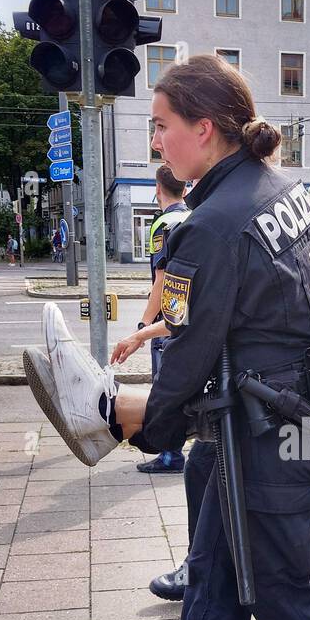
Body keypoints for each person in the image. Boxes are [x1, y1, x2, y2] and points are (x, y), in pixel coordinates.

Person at [20, 54, 310, 620]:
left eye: (163, 127)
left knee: (279, 580)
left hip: (264, 429)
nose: (156, 142)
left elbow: (191, 357)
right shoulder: (281, 191)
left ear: (205, 126)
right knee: (217, 568)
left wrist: (147, 425)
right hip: (280, 414)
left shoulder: (209, 225)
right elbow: (250, 316)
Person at [133, 164, 191, 475]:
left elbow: (163, 279)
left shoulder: (164, 224)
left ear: (158, 191)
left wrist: (144, 324)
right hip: (190, 317)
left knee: (164, 386)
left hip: (166, 320)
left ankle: (171, 455)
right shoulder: (193, 217)